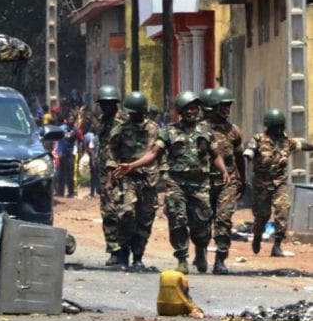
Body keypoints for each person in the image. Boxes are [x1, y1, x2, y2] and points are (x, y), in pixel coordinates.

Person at [114, 91, 229, 274]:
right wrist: (132, 166)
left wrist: (223, 170)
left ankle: (200, 250)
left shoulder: (207, 132)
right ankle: (182, 257)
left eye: (195, 108)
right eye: (188, 108)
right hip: (177, 183)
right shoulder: (169, 131)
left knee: (201, 223)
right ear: (181, 111)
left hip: (200, 184)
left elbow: (215, 155)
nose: (192, 112)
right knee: (178, 220)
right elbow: (153, 153)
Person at [243, 108, 313, 257]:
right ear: (269, 126)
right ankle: (257, 235)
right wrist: (245, 170)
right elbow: (248, 154)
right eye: (277, 127)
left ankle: (277, 245)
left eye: (282, 126)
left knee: (282, 210)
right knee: (262, 215)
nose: (280, 130)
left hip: (279, 183)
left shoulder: (286, 141)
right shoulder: (258, 140)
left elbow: (302, 146)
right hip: (261, 184)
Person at [105, 91, 160, 268]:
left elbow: (159, 153)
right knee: (126, 213)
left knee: (145, 219)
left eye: (136, 112)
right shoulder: (120, 129)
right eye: (131, 112)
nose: (133, 115)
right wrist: (109, 179)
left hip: (148, 180)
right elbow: (111, 154)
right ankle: (123, 252)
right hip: (126, 178)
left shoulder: (154, 129)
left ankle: (138, 256)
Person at [203, 87, 244, 274]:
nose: (227, 109)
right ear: (213, 107)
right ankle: (200, 251)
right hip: (203, 181)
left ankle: (220, 259)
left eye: (228, 105)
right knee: (202, 221)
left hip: (227, 181)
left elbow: (239, 156)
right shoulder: (201, 130)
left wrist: (242, 179)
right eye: (223, 105)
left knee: (224, 219)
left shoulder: (234, 131)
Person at [93, 85, 124, 265]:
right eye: (103, 104)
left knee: (125, 212)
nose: (106, 107)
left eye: (109, 103)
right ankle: (114, 249)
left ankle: (126, 250)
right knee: (108, 212)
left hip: (122, 171)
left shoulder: (123, 122)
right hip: (105, 174)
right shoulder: (103, 121)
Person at [56, 114, 79, 198]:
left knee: (70, 173)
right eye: (69, 119)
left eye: (72, 119)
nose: (71, 121)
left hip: (70, 153)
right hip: (63, 153)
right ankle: (60, 191)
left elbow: (69, 137)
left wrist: (64, 134)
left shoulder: (75, 130)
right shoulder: (63, 128)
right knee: (61, 173)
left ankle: (71, 192)